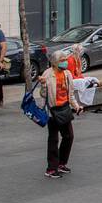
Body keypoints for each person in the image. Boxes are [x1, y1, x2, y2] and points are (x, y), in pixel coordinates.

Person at [36, 49, 82, 178]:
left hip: (65, 108)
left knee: (69, 136)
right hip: (52, 110)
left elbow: (71, 94)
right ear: (55, 63)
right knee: (53, 139)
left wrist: (77, 106)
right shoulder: (48, 74)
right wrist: (44, 85)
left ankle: (61, 163)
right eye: (62, 61)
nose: (65, 63)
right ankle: (51, 168)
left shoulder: (67, 74)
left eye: (65, 60)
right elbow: (43, 95)